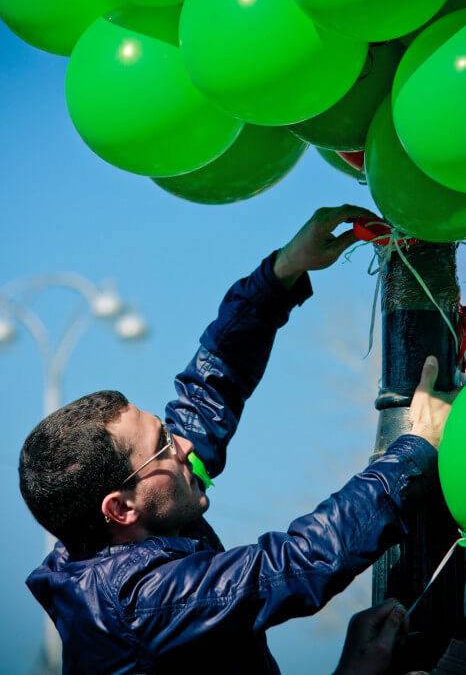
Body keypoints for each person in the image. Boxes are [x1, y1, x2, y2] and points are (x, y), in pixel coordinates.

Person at [19, 206, 455, 675]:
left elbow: (209, 393)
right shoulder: (140, 604)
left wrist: (282, 272)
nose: (183, 445)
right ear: (120, 508)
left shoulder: (143, 516)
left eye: (166, 434)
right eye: (164, 447)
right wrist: (414, 451)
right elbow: (298, 562)